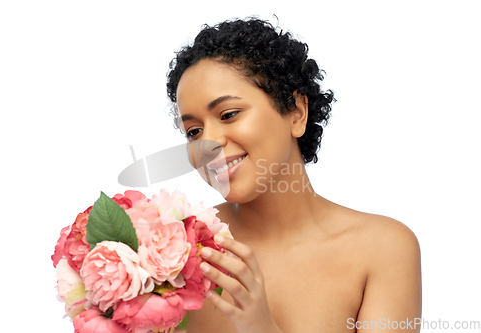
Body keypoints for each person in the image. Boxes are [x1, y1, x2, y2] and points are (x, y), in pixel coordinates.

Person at [166, 18, 421, 333]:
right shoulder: (176, 252)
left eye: (229, 114)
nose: (208, 144)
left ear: (297, 111)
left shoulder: (382, 249)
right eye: (193, 131)